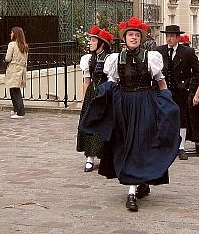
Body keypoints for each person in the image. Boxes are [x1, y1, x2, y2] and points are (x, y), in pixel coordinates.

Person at [79, 17, 180, 212]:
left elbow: (160, 82)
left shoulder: (151, 58)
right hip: (124, 107)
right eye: (130, 35)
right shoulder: (115, 59)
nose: (133, 38)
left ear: (141, 38)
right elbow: (113, 82)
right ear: (124, 38)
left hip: (145, 104)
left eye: (136, 35)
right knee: (127, 144)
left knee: (141, 143)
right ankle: (139, 182)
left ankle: (132, 192)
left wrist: (167, 101)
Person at [157, 25, 199, 160]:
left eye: (172, 36)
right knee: (164, 117)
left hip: (181, 91)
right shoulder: (159, 51)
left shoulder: (187, 52)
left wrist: (191, 88)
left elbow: (198, 72)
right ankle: (167, 145)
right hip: (164, 91)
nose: (169, 39)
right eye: (167, 36)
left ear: (178, 38)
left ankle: (181, 147)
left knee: (181, 119)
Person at [77, 25, 113, 172]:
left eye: (93, 40)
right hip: (92, 94)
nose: (90, 43)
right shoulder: (88, 59)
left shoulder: (110, 59)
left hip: (104, 94)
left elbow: (112, 81)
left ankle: (104, 155)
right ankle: (89, 157)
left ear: (101, 43)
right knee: (89, 123)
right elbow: (86, 81)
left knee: (104, 125)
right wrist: (83, 100)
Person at [5, 26, 28, 119]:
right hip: (21, 69)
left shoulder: (12, 45)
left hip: (14, 68)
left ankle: (20, 112)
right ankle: (16, 109)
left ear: (15, 34)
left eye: (12, 32)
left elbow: (7, 58)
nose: (10, 34)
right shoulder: (24, 45)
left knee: (15, 90)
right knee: (14, 88)